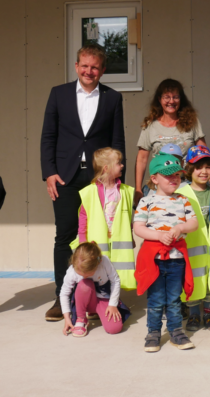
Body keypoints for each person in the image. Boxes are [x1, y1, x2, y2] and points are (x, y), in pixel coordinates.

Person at [40, 44, 126, 322]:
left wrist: (116, 178)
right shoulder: (58, 94)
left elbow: (117, 140)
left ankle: (104, 292)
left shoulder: (113, 98)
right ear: (76, 66)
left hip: (99, 179)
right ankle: (61, 296)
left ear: (102, 70)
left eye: (95, 67)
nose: (89, 71)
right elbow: (48, 137)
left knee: (100, 235)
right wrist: (49, 172)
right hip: (65, 176)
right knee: (65, 235)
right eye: (85, 66)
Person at [134, 153, 199, 352]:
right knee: (155, 300)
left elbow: (194, 223)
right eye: (168, 175)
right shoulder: (146, 201)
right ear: (154, 179)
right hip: (154, 259)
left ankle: (176, 332)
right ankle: (153, 332)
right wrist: (158, 235)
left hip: (176, 259)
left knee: (173, 299)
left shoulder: (183, 200)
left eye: (177, 175)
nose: (174, 179)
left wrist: (180, 229)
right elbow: (138, 227)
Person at [134, 79, 210, 205]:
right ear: (159, 99)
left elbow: (202, 153)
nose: (171, 101)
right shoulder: (150, 125)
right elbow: (141, 159)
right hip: (160, 183)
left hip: (187, 182)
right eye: (167, 97)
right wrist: (138, 189)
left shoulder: (192, 122)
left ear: (181, 99)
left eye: (175, 97)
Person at [70, 148, 136, 290]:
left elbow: (128, 217)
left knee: (117, 272)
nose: (122, 165)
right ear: (106, 168)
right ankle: (99, 301)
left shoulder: (125, 191)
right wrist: (82, 242)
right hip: (97, 242)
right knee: (99, 272)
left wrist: (130, 236)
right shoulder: (90, 192)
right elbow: (83, 217)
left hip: (118, 242)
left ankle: (114, 300)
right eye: (119, 163)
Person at [176, 145, 210, 332]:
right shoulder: (182, 194)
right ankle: (194, 315)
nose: (203, 171)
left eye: (207, 167)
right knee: (192, 280)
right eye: (198, 167)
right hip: (191, 247)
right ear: (189, 170)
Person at [60, 242, 126, 337]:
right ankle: (81, 318)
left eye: (87, 274)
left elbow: (115, 281)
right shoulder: (72, 271)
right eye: (80, 274)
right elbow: (64, 293)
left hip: (102, 299)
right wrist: (67, 318)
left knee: (114, 328)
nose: (83, 276)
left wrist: (112, 305)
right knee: (84, 284)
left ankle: (96, 312)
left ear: (97, 264)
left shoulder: (104, 261)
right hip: (84, 301)